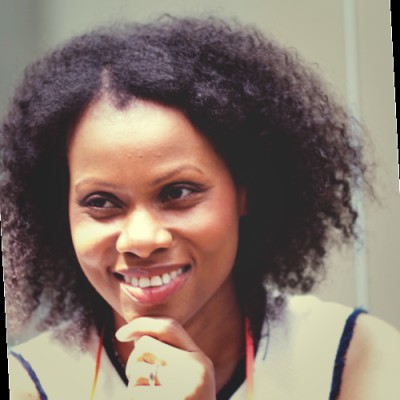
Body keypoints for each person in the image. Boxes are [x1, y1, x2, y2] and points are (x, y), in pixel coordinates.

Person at [3, 16, 399, 400]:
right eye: (101, 202)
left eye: (178, 192)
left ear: (245, 192)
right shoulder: (30, 385)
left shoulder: (354, 360)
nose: (141, 240)